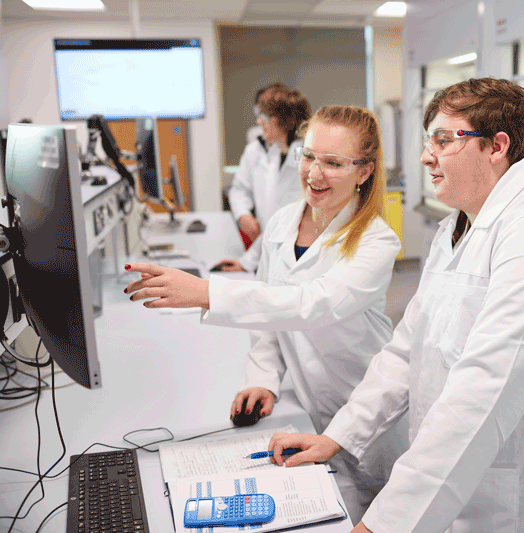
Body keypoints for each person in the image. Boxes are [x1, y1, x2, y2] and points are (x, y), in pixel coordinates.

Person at [268, 78, 524, 533]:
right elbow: (407, 352)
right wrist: (337, 437)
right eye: (429, 142)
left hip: (509, 506)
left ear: (496, 147)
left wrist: (384, 525)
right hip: (450, 489)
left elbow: (481, 397)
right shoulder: (458, 229)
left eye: (444, 141)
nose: (427, 157)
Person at [123, 105, 409, 524]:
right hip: (310, 404)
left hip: (368, 409)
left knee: (375, 509)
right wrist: (263, 379)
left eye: (333, 163)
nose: (314, 173)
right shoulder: (280, 224)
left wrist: (206, 292)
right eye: (309, 156)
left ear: (364, 171)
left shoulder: (376, 241)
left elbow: (314, 304)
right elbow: (271, 315)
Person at [220, 83, 310, 272]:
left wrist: (247, 262)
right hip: (269, 250)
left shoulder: (306, 161)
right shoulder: (273, 153)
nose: (259, 122)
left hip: (296, 258)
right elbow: (241, 189)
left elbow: (282, 227)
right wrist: (243, 215)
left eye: (264, 116)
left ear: (283, 120)